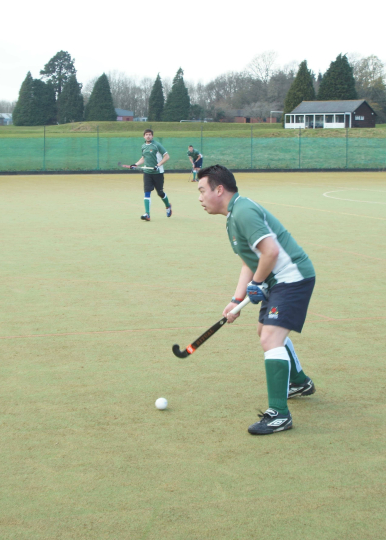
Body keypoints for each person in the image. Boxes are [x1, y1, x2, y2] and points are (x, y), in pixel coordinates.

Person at [196, 164, 317, 435]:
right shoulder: (233, 217)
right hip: (278, 280)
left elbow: (270, 251)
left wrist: (258, 283)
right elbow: (249, 262)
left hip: (292, 277)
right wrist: (236, 298)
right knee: (265, 330)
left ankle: (279, 415)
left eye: (202, 190)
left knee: (270, 338)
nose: (200, 197)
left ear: (219, 189)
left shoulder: (244, 211)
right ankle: (298, 382)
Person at [132, 129, 171, 221]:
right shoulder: (143, 146)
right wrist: (136, 164)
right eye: (146, 134)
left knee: (160, 193)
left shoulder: (157, 145)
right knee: (147, 192)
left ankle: (168, 206)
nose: (148, 136)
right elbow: (143, 158)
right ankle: (147, 214)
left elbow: (167, 156)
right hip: (147, 173)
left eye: (150, 134)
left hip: (158, 173)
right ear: (144, 136)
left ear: (152, 136)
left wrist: (158, 165)